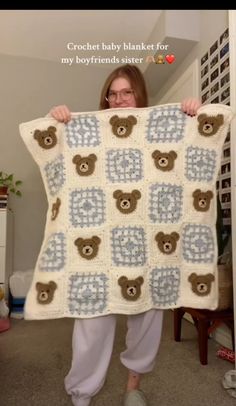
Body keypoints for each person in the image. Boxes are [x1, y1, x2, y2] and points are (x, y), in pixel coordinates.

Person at [49, 64, 202, 406]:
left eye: (127, 92)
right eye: (113, 93)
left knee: (147, 314)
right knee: (92, 318)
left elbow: (189, 147)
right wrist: (57, 121)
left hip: (146, 242)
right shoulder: (92, 134)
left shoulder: (158, 132)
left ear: (139, 96)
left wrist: (192, 113)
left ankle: (133, 385)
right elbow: (61, 156)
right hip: (100, 242)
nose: (119, 99)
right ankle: (82, 391)